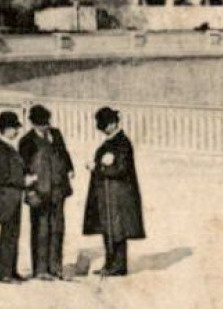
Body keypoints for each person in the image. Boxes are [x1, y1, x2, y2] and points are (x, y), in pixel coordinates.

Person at [84, 106, 146, 277]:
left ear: (112, 124)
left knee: (118, 229)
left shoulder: (122, 143)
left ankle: (118, 265)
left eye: (104, 125)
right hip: (109, 194)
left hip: (119, 195)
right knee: (108, 227)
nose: (102, 129)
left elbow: (121, 170)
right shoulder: (112, 141)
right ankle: (110, 263)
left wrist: (97, 168)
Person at [19, 104, 74, 280]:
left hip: (58, 188)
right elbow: (23, 169)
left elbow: (64, 154)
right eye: (42, 123)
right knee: (40, 229)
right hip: (39, 190)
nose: (46, 126)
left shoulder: (56, 134)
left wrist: (70, 169)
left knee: (57, 228)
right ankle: (41, 269)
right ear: (34, 124)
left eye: (47, 122)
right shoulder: (26, 141)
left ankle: (55, 267)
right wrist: (29, 191)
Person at [0, 111, 30, 284]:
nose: (17, 131)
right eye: (15, 128)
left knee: (13, 234)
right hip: (6, 197)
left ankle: (11, 270)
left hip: (12, 196)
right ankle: (4, 273)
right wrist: (24, 180)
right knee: (7, 235)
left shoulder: (7, 146)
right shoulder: (1, 149)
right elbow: (3, 176)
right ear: (7, 129)